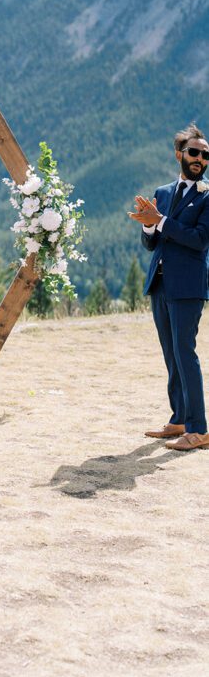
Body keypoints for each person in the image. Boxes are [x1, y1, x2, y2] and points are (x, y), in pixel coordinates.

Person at [129, 123, 209, 451]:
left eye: (206, 155)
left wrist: (161, 222)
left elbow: (200, 240)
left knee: (185, 353)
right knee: (171, 352)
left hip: (189, 287)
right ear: (179, 154)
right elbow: (152, 244)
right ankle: (178, 418)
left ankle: (199, 429)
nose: (200, 159)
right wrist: (149, 226)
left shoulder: (208, 196)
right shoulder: (162, 193)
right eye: (194, 152)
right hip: (160, 285)